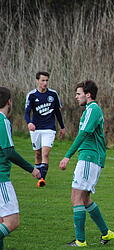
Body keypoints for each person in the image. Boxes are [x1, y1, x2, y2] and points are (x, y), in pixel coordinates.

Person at [59, 80, 114, 247]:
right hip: (89, 158)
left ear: (88, 94)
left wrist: (67, 156)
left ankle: (80, 241)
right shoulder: (89, 110)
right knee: (84, 199)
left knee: (76, 198)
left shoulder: (93, 109)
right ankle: (106, 233)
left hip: (89, 158)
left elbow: (83, 134)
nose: (76, 97)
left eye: (78, 93)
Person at [0, 87, 41, 249]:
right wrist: (32, 169)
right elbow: (9, 152)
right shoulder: (2, 121)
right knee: (12, 221)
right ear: (9, 101)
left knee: (2, 221)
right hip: (1, 179)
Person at [25, 71, 65, 187]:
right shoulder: (31, 95)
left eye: (47, 80)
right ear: (37, 81)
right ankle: (39, 176)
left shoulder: (53, 94)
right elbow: (27, 113)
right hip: (36, 129)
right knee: (37, 154)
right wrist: (29, 123)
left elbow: (57, 112)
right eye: (42, 80)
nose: (45, 83)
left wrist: (62, 127)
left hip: (49, 128)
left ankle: (42, 179)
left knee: (45, 154)